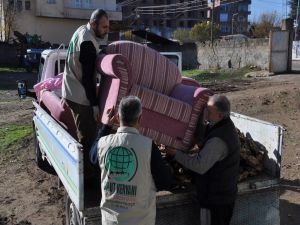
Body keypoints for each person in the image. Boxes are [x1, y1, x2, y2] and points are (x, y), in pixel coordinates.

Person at [92, 96, 173, 225]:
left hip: (110, 221)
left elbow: (93, 158)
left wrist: (105, 127)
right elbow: (165, 182)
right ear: (140, 119)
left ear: (118, 117)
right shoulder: (148, 146)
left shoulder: (103, 143)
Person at [165, 94, 240, 225]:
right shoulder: (220, 125)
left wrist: (175, 153)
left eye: (209, 112)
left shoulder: (219, 140)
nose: (206, 115)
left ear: (220, 115)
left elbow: (200, 166)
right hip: (218, 196)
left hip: (216, 201)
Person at [62, 9, 109, 169]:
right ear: (94, 23)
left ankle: (86, 171)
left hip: (72, 89)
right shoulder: (87, 41)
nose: (106, 30)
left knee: (87, 133)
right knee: (88, 138)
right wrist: (94, 104)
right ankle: (86, 179)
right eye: (104, 27)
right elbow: (88, 78)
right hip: (78, 94)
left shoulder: (83, 31)